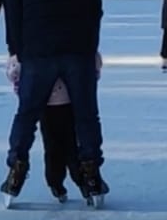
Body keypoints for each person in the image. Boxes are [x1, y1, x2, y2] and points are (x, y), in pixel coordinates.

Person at [1, 0, 108, 206]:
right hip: (78, 51)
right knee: (86, 116)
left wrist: (17, 53)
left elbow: (13, 15)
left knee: (27, 115)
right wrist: (91, 46)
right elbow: (95, 8)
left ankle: (16, 169)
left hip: (38, 53)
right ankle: (91, 174)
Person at [7, 52, 103, 202]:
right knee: (71, 143)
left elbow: (15, 69)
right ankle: (85, 180)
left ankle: (54, 182)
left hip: (47, 102)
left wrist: (19, 83)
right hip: (69, 99)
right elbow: (94, 64)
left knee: (52, 145)